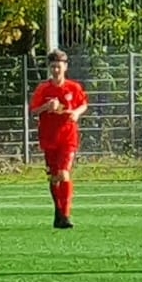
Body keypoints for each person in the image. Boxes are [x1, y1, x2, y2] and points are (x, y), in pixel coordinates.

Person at [29, 49, 88, 229]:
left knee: (64, 173)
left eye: (59, 66)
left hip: (68, 137)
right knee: (54, 177)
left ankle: (66, 214)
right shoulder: (43, 89)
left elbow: (83, 104)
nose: (56, 70)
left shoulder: (73, 87)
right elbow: (33, 111)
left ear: (65, 67)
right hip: (49, 138)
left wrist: (76, 113)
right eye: (53, 67)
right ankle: (58, 212)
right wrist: (46, 106)